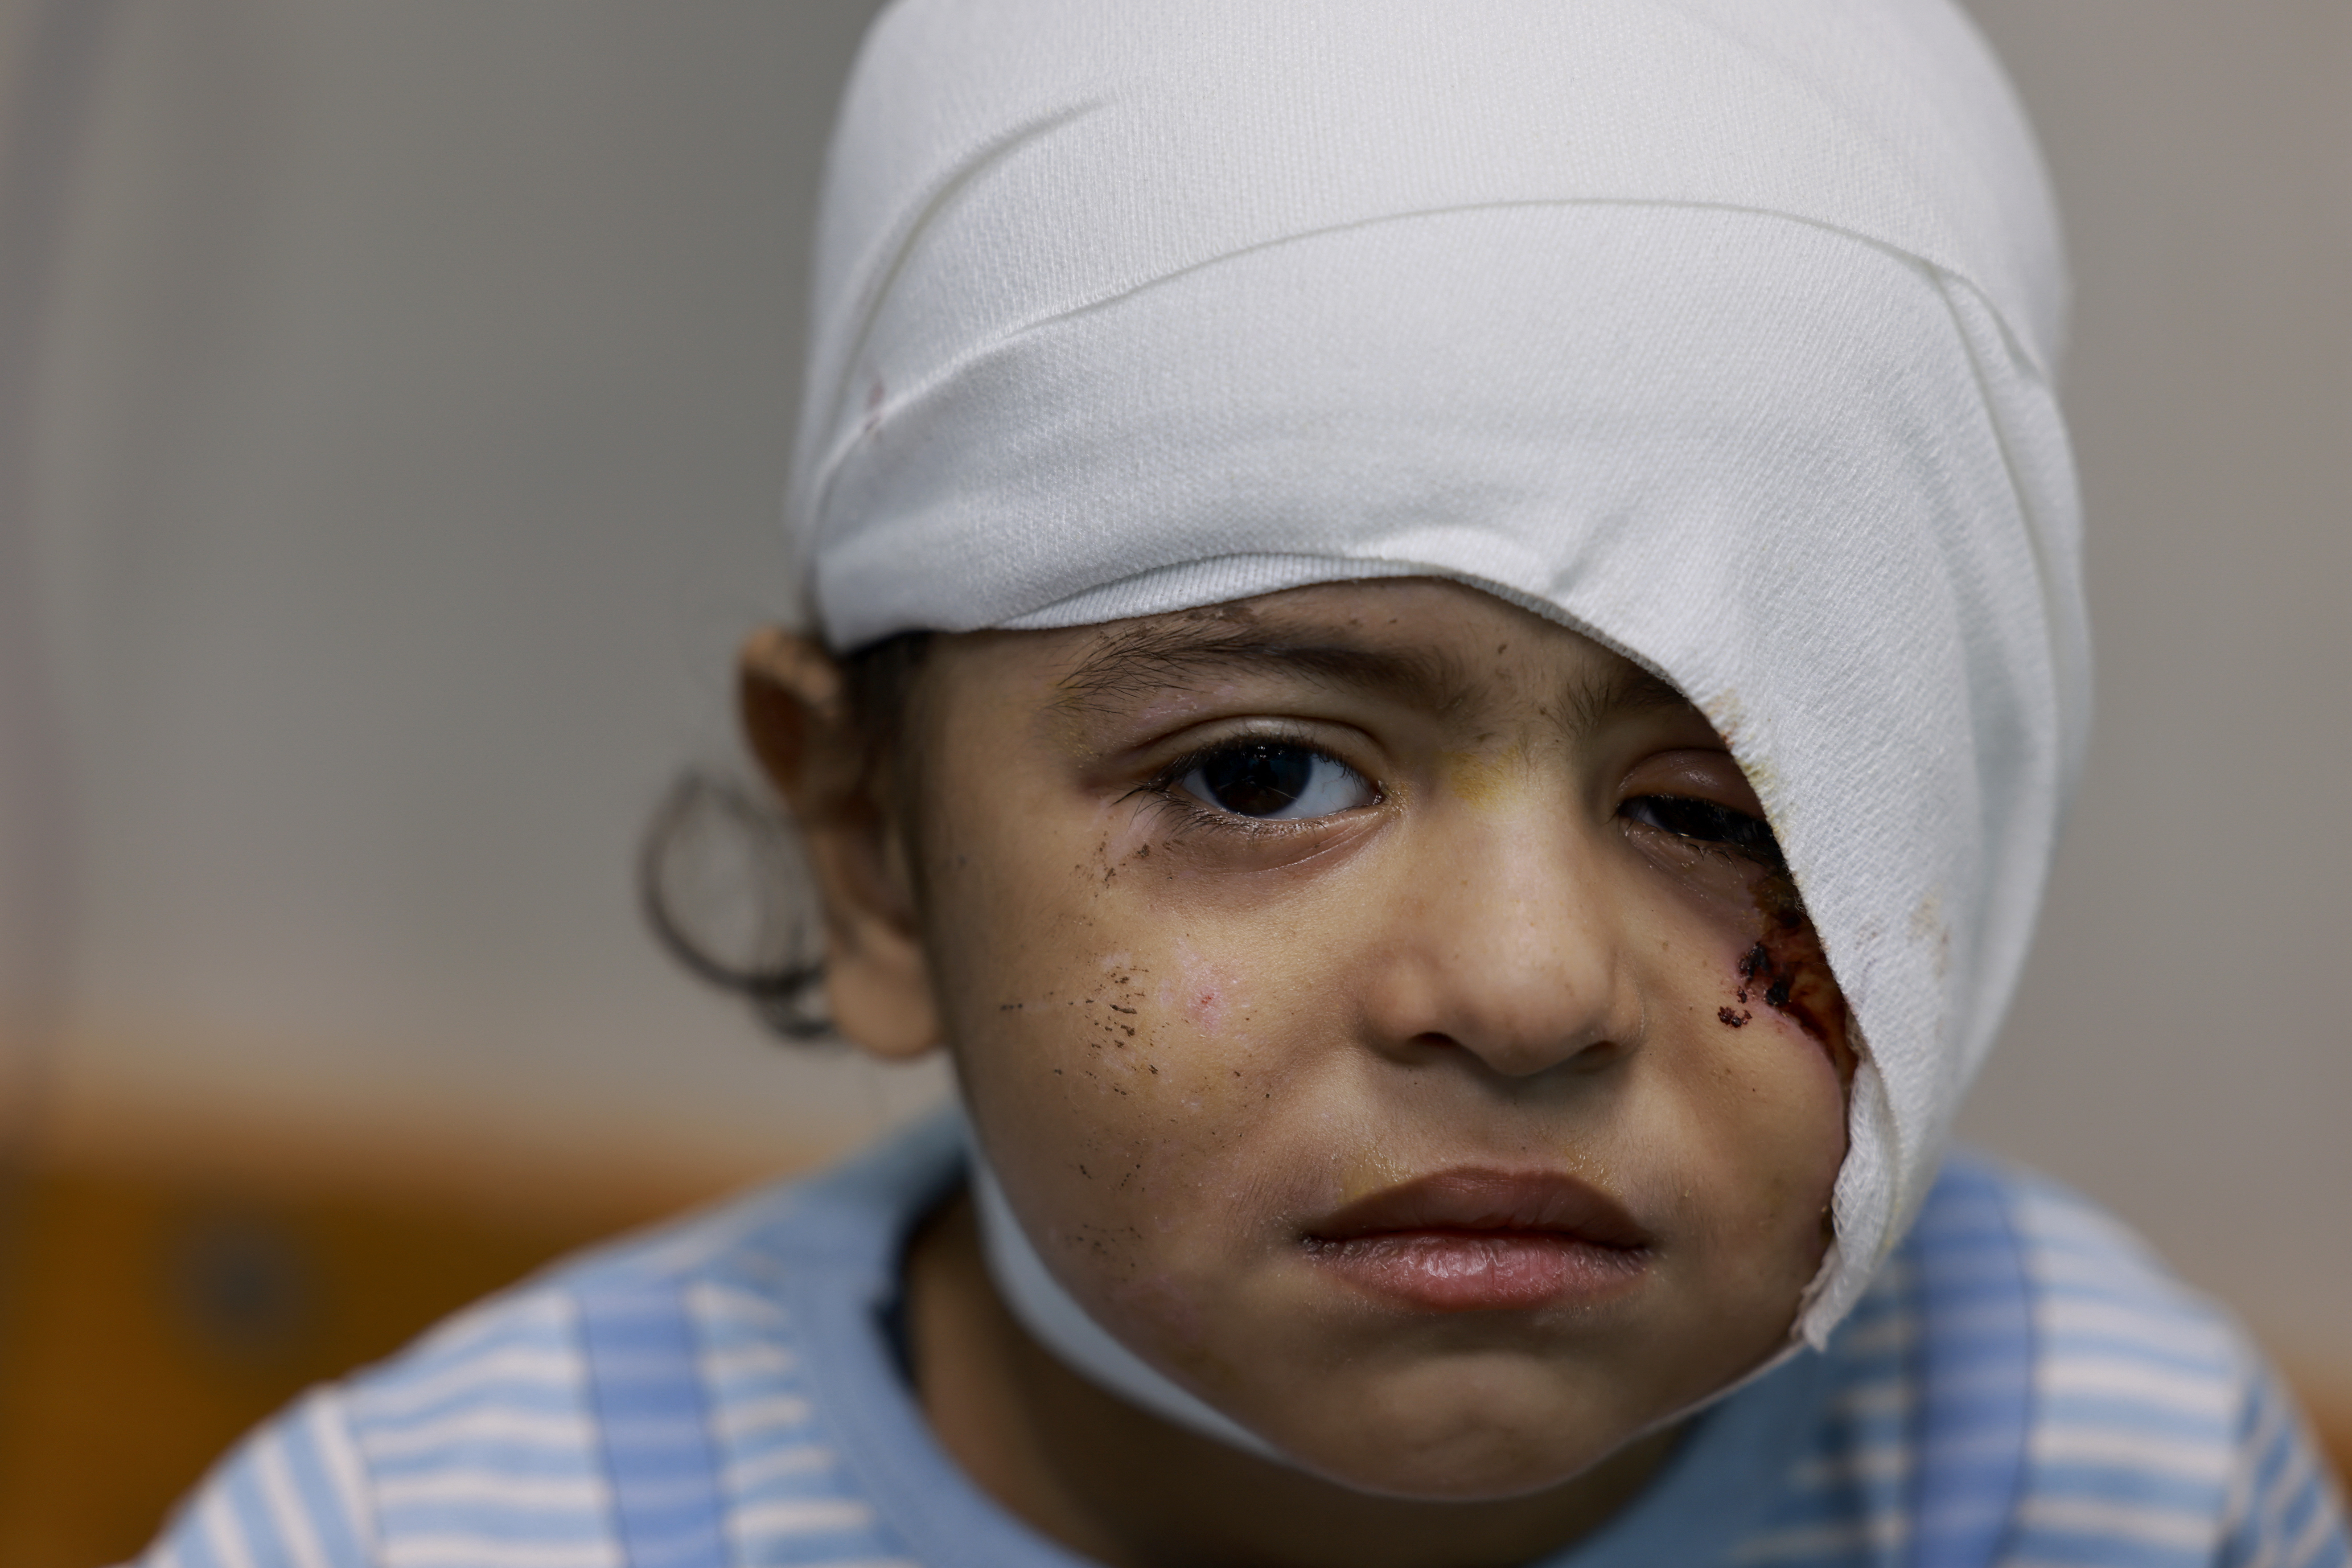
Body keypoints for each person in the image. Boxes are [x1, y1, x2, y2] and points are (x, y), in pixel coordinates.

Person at [134, 3, 2350, 1566]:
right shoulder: (433, 1540)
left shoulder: (2107, 1488)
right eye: (1267, 771)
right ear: (870, 850)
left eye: (1726, 802)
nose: (1517, 985)